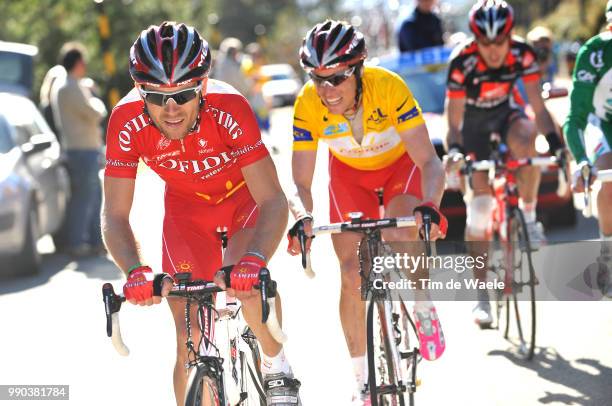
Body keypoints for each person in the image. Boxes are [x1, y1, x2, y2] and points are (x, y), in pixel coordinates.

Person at [102, 22, 301, 405]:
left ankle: (277, 366)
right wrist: (135, 271)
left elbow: (273, 200)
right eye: (157, 97)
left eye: (184, 93)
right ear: (140, 91)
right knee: (187, 336)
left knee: (245, 289)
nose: (171, 108)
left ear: (204, 86)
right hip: (187, 212)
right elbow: (114, 215)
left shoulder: (230, 108)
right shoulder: (125, 122)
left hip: (244, 204)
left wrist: (255, 259)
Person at [286, 20, 447, 405]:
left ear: (357, 70)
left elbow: (429, 161)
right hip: (349, 177)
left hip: (399, 168)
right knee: (349, 273)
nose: (326, 90)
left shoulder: (388, 86)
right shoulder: (308, 103)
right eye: (317, 78)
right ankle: (362, 382)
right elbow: (301, 184)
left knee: (399, 232)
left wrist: (430, 207)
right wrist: (301, 216)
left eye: (337, 78)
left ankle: (422, 303)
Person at [444, 0, 565, 326]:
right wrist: (455, 150)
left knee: (528, 140)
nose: (494, 50)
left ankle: (527, 216)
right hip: (472, 125)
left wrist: (555, 145)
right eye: (486, 42)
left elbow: (538, 110)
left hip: (505, 116)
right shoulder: (462, 62)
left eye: (500, 41)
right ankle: (482, 295)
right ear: (475, 39)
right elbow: (453, 123)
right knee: (480, 210)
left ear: (510, 36)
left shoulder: (523, 54)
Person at [563, 0, 612, 297]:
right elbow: (575, 119)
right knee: (607, 172)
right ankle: (608, 252)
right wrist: (582, 160)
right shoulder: (595, 54)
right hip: (602, 124)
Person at [51, 42, 107, 257]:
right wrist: (94, 97)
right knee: (85, 198)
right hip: (82, 150)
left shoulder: (69, 85)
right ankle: (77, 243)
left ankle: (94, 242)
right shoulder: (71, 87)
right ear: (77, 63)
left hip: (82, 149)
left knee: (91, 197)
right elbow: (95, 112)